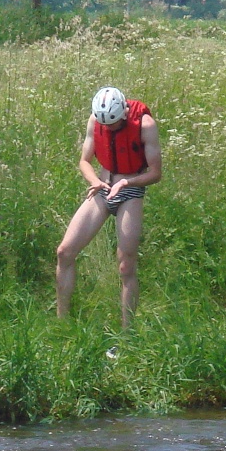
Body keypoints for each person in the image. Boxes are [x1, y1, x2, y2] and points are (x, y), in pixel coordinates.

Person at [56, 86, 162, 328]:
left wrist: (127, 182)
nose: (109, 128)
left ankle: (127, 333)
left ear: (124, 113)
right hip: (102, 187)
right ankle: (61, 323)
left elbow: (156, 173)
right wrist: (95, 181)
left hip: (130, 190)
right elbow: (84, 161)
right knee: (65, 252)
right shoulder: (96, 121)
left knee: (126, 264)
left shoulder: (145, 125)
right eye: (106, 124)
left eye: (113, 124)